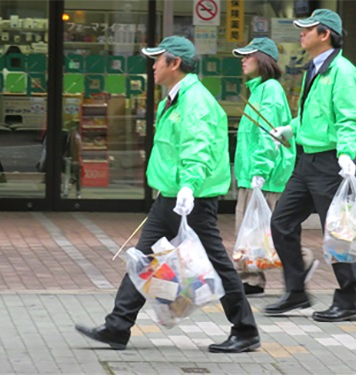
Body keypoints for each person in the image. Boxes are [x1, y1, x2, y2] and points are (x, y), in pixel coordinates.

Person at [75, 36, 261, 353]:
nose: (153, 65)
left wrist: (189, 185)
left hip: (192, 199)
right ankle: (118, 326)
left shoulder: (195, 101)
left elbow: (197, 148)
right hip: (171, 197)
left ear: (174, 63)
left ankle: (245, 330)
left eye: (157, 59)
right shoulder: (173, 100)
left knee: (216, 263)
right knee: (143, 257)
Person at [264, 9, 356, 322]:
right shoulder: (316, 69)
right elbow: (313, 116)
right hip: (306, 161)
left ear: (325, 35)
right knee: (281, 223)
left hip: (330, 162)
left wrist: (347, 153)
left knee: (337, 234)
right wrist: (290, 129)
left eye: (307, 29)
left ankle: (349, 302)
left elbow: (349, 118)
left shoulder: (343, 72)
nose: (301, 33)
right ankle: (296, 293)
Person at [231, 37, 319, 296]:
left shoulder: (269, 90)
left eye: (249, 56)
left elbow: (268, 136)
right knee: (248, 232)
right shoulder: (258, 90)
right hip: (252, 175)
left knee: (269, 231)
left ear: (264, 60)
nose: (243, 60)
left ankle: (302, 259)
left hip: (265, 177)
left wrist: (260, 169)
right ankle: (251, 279)